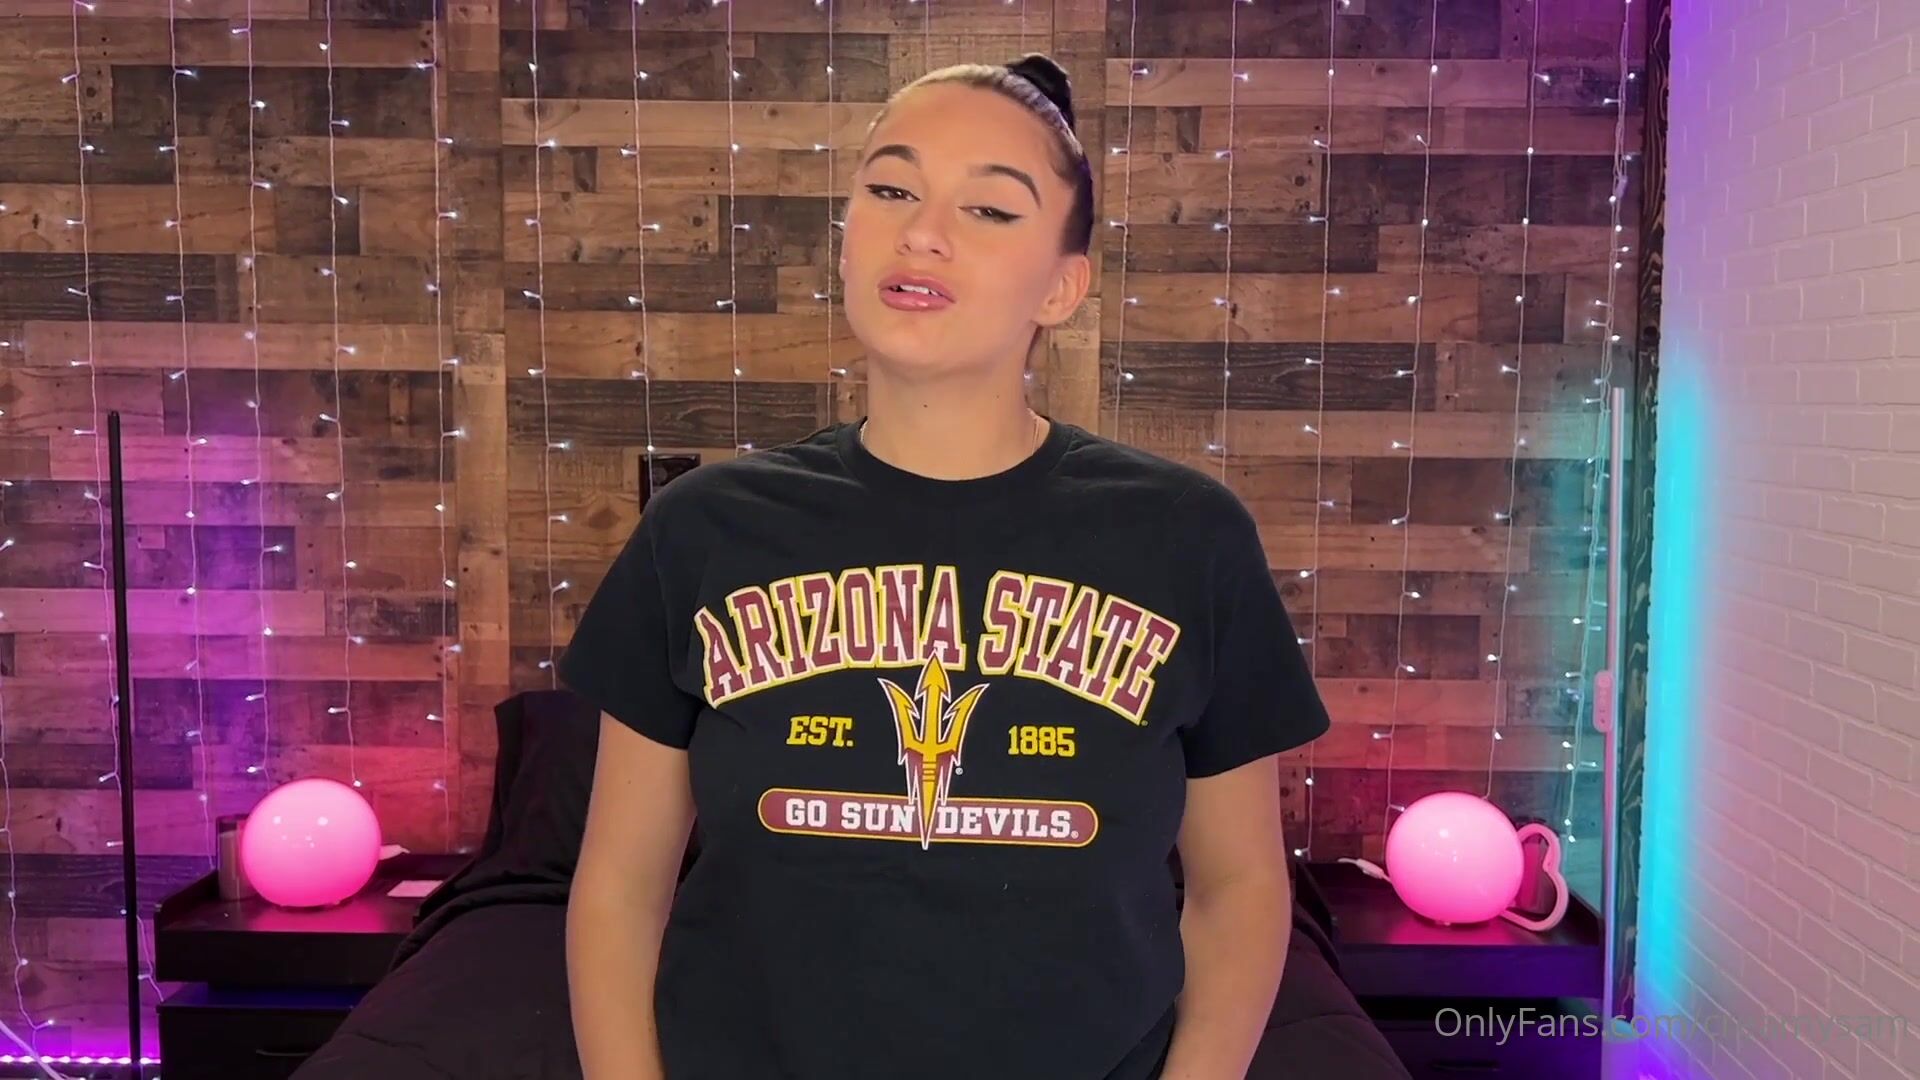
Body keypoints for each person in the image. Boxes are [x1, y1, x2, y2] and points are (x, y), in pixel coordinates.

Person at [560, 53, 1332, 1080]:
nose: (922, 231)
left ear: (1061, 287)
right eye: (891, 190)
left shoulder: (1187, 536)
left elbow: (1240, 888)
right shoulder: (703, 530)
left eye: (990, 210)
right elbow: (620, 888)